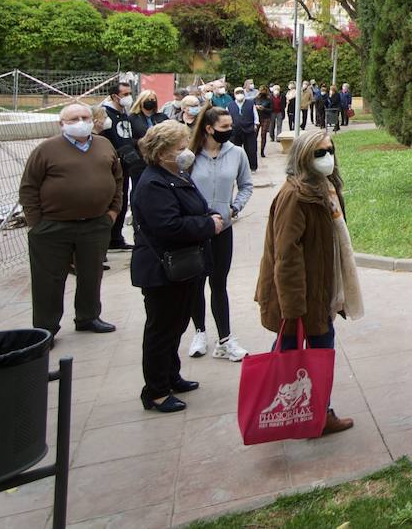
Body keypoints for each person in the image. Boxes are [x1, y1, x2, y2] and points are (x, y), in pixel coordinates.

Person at [255, 127, 363, 435]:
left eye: (330, 151)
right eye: (320, 152)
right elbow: (285, 256)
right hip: (301, 299)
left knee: (311, 354)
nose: (328, 157)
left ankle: (310, 412)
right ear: (304, 157)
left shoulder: (325, 189)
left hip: (319, 293)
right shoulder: (296, 196)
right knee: (307, 354)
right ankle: (307, 414)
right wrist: (293, 307)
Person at [130, 121, 226, 413]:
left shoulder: (177, 174)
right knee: (161, 330)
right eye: (180, 148)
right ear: (162, 153)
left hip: (184, 267)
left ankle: (171, 376)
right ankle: (156, 391)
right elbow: (168, 226)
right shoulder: (152, 183)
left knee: (175, 326)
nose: (186, 152)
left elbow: (195, 204)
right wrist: (208, 224)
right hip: (162, 271)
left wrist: (209, 214)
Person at [19, 103, 123, 342]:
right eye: (74, 118)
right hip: (53, 226)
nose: (81, 121)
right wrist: (36, 223)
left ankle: (88, 316)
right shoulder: (46, 150)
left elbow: (117, 178)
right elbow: (28, 187)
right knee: (49, 279)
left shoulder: (103, 145)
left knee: (91, 273)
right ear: (62, 124)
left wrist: (113, 212)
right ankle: (46, 327)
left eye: (85, 117)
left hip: (96, 223)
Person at [185, 106, 254, 362]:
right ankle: (199, 332)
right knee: (195, 282)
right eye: (224, 127)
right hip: (195, 230)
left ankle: (225, 339)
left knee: (218, 283)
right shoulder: (190, 156)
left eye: (230, 126)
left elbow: (246, 185)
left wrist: (234, 208)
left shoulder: (236, 153)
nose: (229, 130)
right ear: (209, 128)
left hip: (222, 229)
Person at [100, 79, 141, 250]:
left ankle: (116, 238)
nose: (128, 97)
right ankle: (105, 240)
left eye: (129, 94)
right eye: (125, 95)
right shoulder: (105, 114)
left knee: (122, 201)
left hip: (126, 164)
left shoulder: (124, 113)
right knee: (110, 202)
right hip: (112, 166)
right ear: (114, 96)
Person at [232, 85, 260, 172]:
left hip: (249, 129)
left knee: (251, 149)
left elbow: (255, 114)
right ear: (234, 94)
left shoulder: (250, 103)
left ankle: (252, 167)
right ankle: (237, 168)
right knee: (235, 150)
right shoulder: (230, 105)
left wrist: (256, 124)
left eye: (241, 93)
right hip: (235, 130)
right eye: (237, 93)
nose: (239, 94)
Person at [256, 83, 275, 157]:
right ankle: (254, 150)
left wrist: (264, 109)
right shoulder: (256, 99)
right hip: (258, 117)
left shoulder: (269, 99)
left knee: (263, 134)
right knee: (255, 135)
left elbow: (271, 109)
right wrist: (256, 107)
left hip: (266, 117)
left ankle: (262, 151)